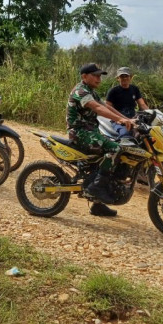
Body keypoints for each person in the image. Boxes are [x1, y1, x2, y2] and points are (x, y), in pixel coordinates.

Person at [67, 63, 135, 217]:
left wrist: (128, 120)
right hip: (80, 133)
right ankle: (96, 188)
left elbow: (106, 107)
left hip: (91, 132)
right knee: (115, 149)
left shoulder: (92, 91)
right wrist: (120, 120)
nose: (99, 78)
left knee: (117, 147)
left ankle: (98, 205)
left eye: (100, 76)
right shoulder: (81, 91)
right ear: (84, 76)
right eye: (95, 75)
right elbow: (97, 109)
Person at [106, 67, 149, 136]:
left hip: (134, 118)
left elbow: (142, 104)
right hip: (118, 120)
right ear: (118, 78)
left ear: (131, 77)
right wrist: (119, 119)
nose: (125, 78)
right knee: (125, 134)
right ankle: (121, 146)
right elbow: (107, 107)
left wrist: (150, 112)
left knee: (148, 132)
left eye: (126, 76)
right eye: (122, 76)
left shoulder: (135, 89)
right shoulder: (113, 91)